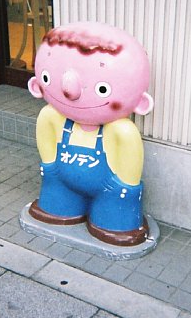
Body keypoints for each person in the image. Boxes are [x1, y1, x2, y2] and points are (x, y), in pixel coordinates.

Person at [27, 22, 154, 246]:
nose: (70, 91)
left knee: (115, 224)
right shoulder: (52, 116)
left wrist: (123, 189)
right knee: (56, 207)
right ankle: (61, 203)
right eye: (47, 78)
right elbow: (46, 144)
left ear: (141, 102)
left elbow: (130, 172)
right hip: (61, 181)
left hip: (110, 190)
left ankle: (114, 215)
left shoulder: (120, 130)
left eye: (102, 89)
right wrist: (51, 170)